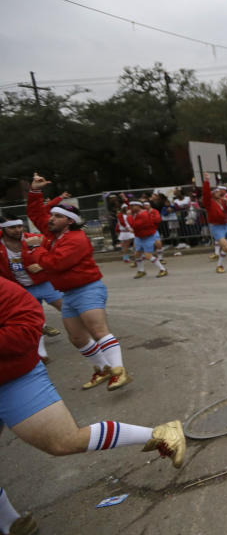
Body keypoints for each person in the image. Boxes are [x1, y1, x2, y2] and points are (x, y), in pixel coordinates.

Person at [0, 279, 185, 535]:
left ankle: (160, 433)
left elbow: (28, 323)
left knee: (63, 441)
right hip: (68, 292)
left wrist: (44, 259)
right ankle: (11, 523)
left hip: (12, 379)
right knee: (78, 337)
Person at [25, 174, 133, 390]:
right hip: (69, 293)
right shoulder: (53, 235)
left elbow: (55, 264)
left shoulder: (76, 239)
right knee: (76, 337)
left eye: (57, 215)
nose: (50, 218)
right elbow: (36, 213)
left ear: (69, 221)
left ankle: (119, 371)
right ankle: (103, 369)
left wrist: (37, 249)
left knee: (98, 330)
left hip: (88, 289)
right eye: (52, 215)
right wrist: (35, 191)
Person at [0, 215, 63, 362]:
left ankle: (96, 337)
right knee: (32, 321)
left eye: (19, 226)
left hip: (45, 283)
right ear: (3, 229)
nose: (17, 230)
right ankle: (41, 355)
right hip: (21, 290)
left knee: (68, 309)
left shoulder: (35, 239)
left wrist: (42, 265)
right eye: (12, 227)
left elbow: (57, 257)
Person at [128, 201, 168, 279]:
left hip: (148, 237)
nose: (131, 208)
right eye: (130, 206)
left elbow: (134, 225)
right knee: (137, 254)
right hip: (140, 237)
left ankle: (163, 269)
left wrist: (129, 216)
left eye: (133, 206)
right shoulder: (136, 214)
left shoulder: (143, 214)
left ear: (138, 206)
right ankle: (141, 271)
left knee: (148, 255)